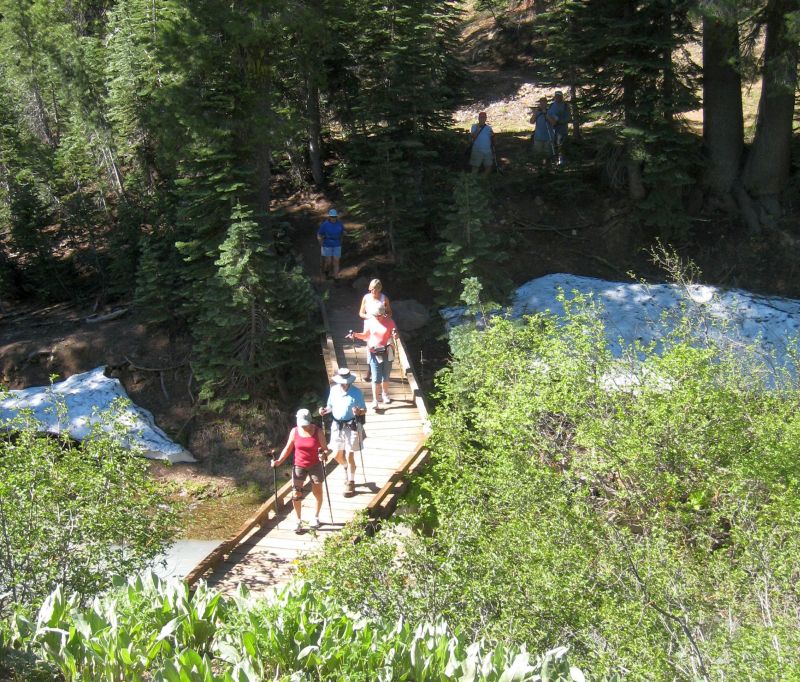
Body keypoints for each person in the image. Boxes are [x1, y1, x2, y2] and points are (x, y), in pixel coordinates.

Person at [272, 408, 328, 533]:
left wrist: (323, 455)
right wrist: (278, 462)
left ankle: (316, 517)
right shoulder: (294, 431)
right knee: (296, 494)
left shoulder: (318, 431)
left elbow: (325, 449)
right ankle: (298, 521)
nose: (304, 427)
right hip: (299, 466)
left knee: (317, 492)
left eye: (306, 424)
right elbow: (288, 448)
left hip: (315, 465)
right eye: (302, 424)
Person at [319, 367, 366, 497]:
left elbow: (364, 410)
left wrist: (359, 412)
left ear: (349, 381)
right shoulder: (334, 390)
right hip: (337, 425)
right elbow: (330, 406)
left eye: (345, 381)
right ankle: (345, 467)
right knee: (336, 454)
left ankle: (350, 481)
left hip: (352, 426)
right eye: (342, 381)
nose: (344, 383)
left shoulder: (357, 392)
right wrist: (324, 410)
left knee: (350, 454)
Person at [350, 303, 397, 410]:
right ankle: (375, 400)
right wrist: (355, 334)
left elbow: (395, 334)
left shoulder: (389, 321)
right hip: (374, 352)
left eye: (379, 315)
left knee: (386, 375)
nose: (377, 317)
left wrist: (395, 335)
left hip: (388, 351)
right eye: (375, 315)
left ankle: (385, 395)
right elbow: (365, 336)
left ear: (383, 313)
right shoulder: (369, 322)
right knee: (376, 378)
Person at [317, 208, 345, 279]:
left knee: (336, 261)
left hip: (337, 244)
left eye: (334, 216)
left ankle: (336, 277)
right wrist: (320, 241)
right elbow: (319, 234)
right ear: (329, 217)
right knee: (328, 262)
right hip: (327, 244)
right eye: (332, 216)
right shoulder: (325, 225)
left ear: (336, 217)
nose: (333, 218)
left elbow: (342, 232)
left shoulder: (339, 224)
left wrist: (342, 239)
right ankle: (326, 271)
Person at [530, 97, 554, 169]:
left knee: (548, 155)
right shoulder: (537, 112)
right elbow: (531, 121)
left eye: (544, 102)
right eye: (541, 102)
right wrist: (535, 113)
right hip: (538, 137)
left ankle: (548, 169)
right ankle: (539, 169)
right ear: (539, 103)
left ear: (546, 103)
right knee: (538, 154)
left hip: (548, 137)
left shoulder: (550, 111)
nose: (543, 104)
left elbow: (553, 122)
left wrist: (546, 114)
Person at [547, 91, 570, 165]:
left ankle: (562, 160)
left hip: (562, 129)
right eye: (556, 96)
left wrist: (559, 122)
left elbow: (568, 118)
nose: (558, 97)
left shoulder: (565, 106)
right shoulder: (551, 105)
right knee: (552, 144)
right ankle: (553, 160)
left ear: (562, 97)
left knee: (561, 145)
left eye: (559, 96)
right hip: (552, 129)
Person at [468, 111, 495, 175]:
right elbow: (473, 137)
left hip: (487, 150)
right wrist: (478, 129)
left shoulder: (489, 128)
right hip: (477, 150)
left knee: (488, 167)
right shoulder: (474, 126)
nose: (482, 119)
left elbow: (493, 139)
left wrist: (493, 136)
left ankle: (482, 179)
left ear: (486, 118)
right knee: (475, 167)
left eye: (484, 117)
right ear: (478, 118)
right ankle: (473, 181)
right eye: (481, 117)